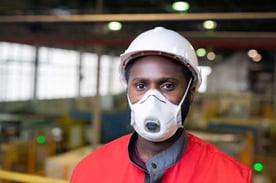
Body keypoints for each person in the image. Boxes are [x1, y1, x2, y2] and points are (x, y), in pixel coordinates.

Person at [70, 27, 252, 183]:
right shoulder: (90, 172)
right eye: (140, 86)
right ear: (128, 90)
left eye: (168, 86)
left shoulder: (230, 177)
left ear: (191, 92)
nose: (152, 99)